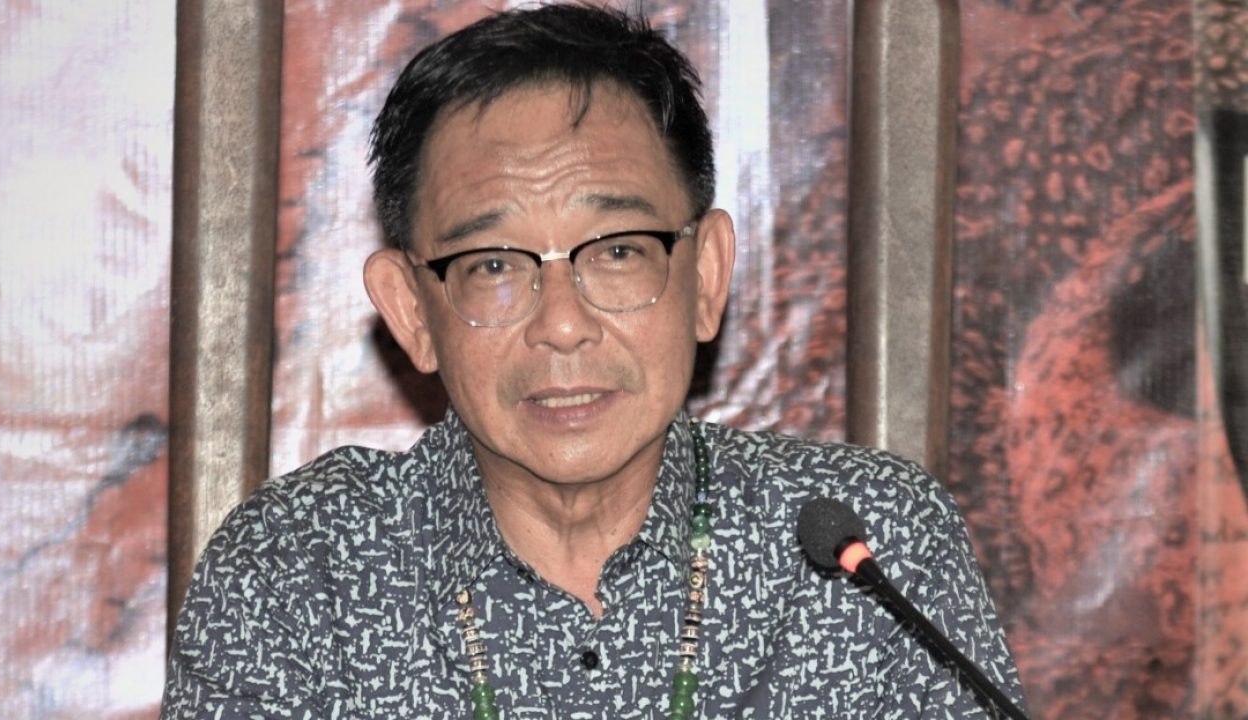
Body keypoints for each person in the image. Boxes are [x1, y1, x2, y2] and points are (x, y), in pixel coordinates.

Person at [162, 4, 1027, 718]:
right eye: (493, 265)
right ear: (411, 311)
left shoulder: (870, 552)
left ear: (706, 276)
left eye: (617, 251)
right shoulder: (302, 571)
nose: (563, 327)